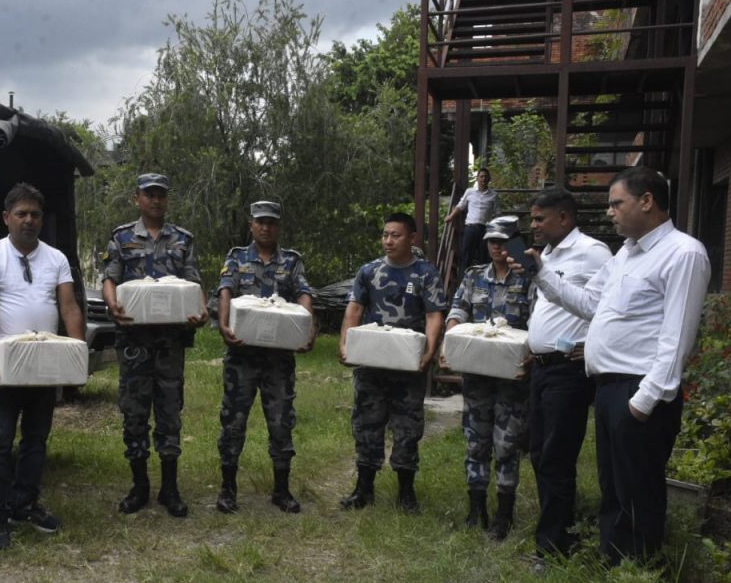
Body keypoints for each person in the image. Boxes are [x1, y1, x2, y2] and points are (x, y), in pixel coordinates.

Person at [514, 167, 710, 565]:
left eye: (616, 203)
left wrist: (645, 399)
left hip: (639, 390)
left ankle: (637, 577)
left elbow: (677, 335)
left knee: (637, 489)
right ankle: (613, 565)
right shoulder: (626, 254)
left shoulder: (683, 253)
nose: (609, 213)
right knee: (615, 488)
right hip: (608, 387)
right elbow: (590, 304)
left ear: (647, 201)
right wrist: (544, 275)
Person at [0, 182, 85, 551]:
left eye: (35, 214)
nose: (29, 220)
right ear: (7, 218)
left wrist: (77, 354)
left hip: (44, 363)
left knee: (36, 440)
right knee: (0, 442)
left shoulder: (56, 258)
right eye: (21, 214)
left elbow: (68, 306)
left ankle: (25, 504)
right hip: (6, 365)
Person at [101, 173, 209, 517]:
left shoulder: (183, 239)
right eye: (150, 195)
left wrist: (201, 309)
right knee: (134, 412)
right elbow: (110, 278)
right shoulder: (121, 237)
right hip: (134, 340)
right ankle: (139, 486)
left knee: (169, 411)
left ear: (167, 199)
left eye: (161, 195)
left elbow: (193, 281)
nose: (156, 200)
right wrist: (111, 304)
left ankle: (170, 488)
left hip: (170, 341)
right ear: (138, 199)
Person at [338, 212, 448, 512]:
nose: (388, 240)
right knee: (366, 424)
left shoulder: (426, 274)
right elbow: (355, 308)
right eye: (385, 234)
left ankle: (406, 492)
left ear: (411, 239)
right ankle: (364, 489)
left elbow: (434, 314)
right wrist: (345, 344)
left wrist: (429, 351)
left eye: (395, 235)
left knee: (407, 428)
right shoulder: (369, 271)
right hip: (372, 364)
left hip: (407, 365)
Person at [526, 188, 612, 561]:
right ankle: (561, 527)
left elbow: (602, 307)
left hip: (568, 371)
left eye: (539, 219)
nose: (534, 226)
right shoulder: (545, 254)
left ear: (564, 217)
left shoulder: (593, 253)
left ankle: (553, 546)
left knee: (556, 456)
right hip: (542, 368)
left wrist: (590, 342)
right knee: (537, 452)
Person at [215, 201, 315, 514]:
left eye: (271, 222)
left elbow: (304, 294)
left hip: (278, 360)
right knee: (233, 422)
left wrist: (307, 327)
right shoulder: (236, 257)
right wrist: (223, 322)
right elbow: (225, 290)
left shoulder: (292, 261)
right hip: (242, 356)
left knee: (281, 423)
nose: (266, 227)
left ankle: (281, 490)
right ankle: (228, 489)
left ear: (278, 226)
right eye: (260, 222)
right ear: (251, 225)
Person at [442, 216, 534, 540]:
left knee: (506, 445)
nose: (497, 247)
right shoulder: (473, 276)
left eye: (504, 241)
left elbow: (538, 324)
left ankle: (504, 516)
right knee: (475, 441)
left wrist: (532, 356)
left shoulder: (528, 280)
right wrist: (449, 341)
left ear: (516, 242)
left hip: (512, 379)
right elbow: (458, 311)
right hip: (478, 374)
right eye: (492, 241)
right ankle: (476, 508)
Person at [445, 168, 499, 272]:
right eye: (481, 176)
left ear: (489, 179)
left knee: (484, 257)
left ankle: (483, 281)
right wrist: (451, 216)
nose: (483, 178)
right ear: (477, 178)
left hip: (485, 229)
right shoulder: (469, 192)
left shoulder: (494, 195)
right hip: (470, 228)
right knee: (466, 255)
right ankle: (463, 280)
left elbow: (497, 213)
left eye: (485, 176)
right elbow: (461, 206)